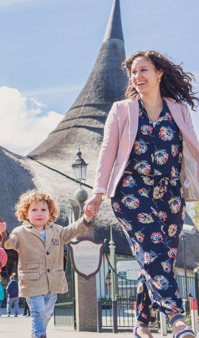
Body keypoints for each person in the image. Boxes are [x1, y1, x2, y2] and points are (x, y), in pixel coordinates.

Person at [84, 50, 199, 338]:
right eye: (133, 73)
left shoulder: (179, 110)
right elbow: (107, 152)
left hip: (170, 192)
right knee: (155, 249)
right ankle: (176, 318)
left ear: (159, 73)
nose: (137, 77)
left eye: (143, 70)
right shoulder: (122, 109)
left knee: (159, 257)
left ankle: (141, 325)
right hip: (131, 191)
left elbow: (191, 152)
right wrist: (97, 193)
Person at [0, 190, 93, 338]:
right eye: (34, 210)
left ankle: (38, 332)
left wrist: (86, 218)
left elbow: (72, 230)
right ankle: (39, 334)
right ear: (26, 213)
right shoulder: (20, 232)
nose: (39, 213)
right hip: (32, 282)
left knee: (47, 313)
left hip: (53, 281)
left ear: (50, 213)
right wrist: (3, 234)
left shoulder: (58, 231)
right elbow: (9, 243)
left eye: (43, 209)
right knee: (38, 311)